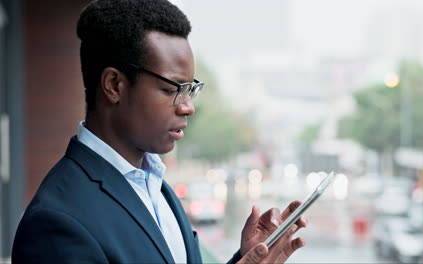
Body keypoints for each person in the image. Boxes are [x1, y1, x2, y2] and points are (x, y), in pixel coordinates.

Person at [12, 0, 307, 263]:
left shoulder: (157, 187)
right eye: (171, 89)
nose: (188, 107)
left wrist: (248, 259)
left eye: (190, 89)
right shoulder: (56, 222)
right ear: (114, 85)